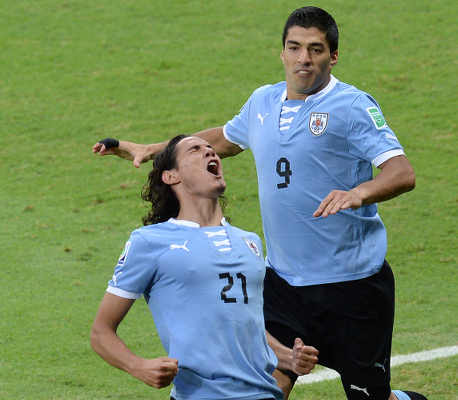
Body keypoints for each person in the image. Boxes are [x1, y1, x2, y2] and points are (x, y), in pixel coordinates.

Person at [92, 7, 427, 400]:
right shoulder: (262, 102)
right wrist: (155, 148)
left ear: (332, 56)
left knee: (370, 397)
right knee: (268, 387)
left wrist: (358, 193)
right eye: (295, 47)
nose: (304, 59)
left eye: (316, 50)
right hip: (283, 282)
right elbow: (223, 140)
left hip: (351, 285)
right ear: (282, 52)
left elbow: (402, 172)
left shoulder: (352, 107)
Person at [90, 135, 317, 400]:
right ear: (171, 177)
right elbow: (101, 331)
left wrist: (288, 358)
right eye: (195, 150)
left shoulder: (249, 242)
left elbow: (244, 321)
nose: (210, 152)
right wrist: (138, 366)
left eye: (211, 149)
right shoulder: (150, 242)